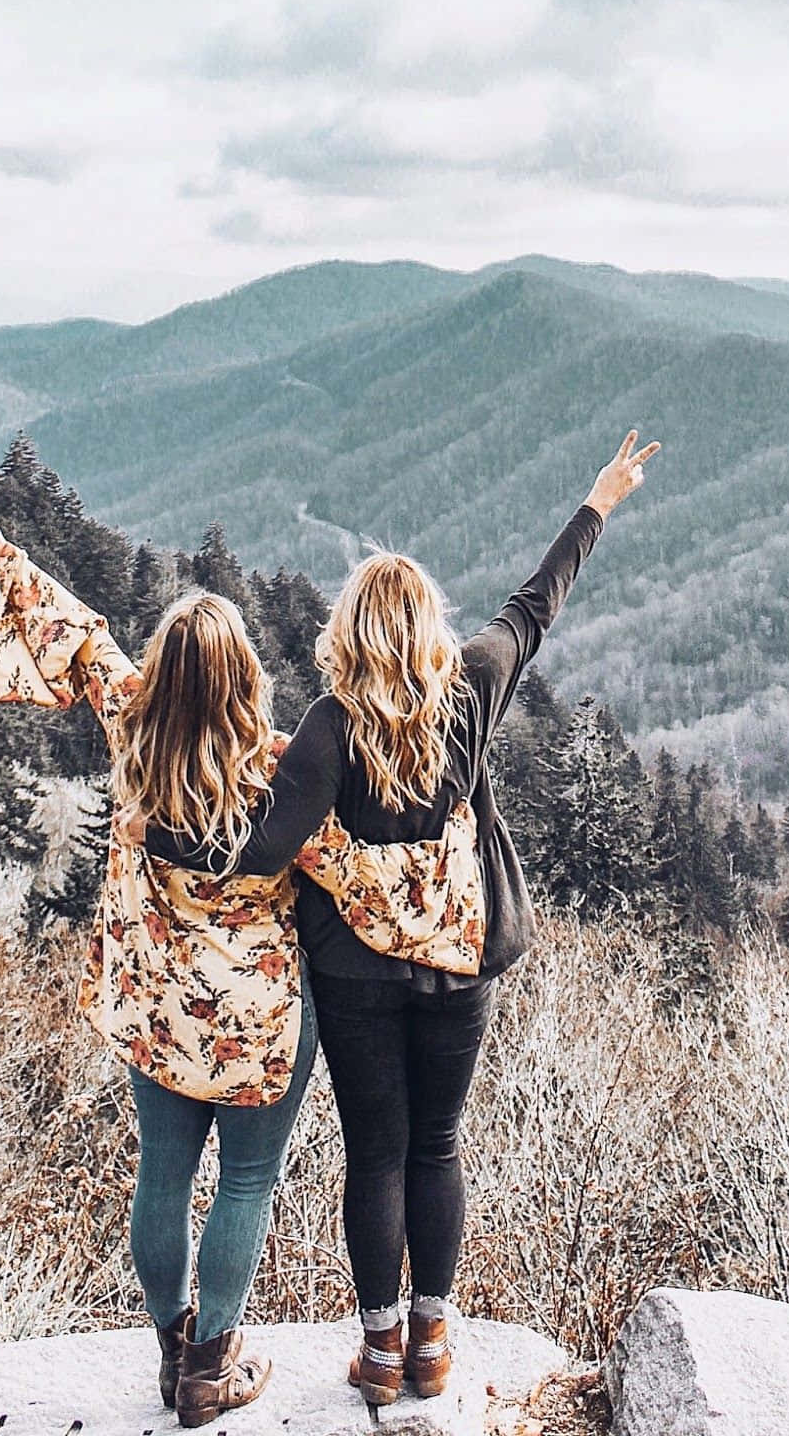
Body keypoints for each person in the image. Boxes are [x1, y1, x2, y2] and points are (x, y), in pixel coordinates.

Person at [0, 486, 481, 1428]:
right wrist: (454, 895)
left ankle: (170, 1346)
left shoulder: (133, 731)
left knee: (162, 1173)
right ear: (243, 681)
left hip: (154, 1004)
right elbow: (362, 876)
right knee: (244, 1183)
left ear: (165, 673)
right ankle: (213, 1365)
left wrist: (5, 555)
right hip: (258, 1017)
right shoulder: (280, 769)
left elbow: (81, 639)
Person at [142, 428, 660, 1405]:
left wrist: (166, 827)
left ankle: (378, 1353)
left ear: (350, 630)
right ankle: (432, 1344)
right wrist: (597, 502)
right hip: (459, 959)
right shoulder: (468, 684)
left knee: (375, 1152)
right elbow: (533, 606)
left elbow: (256, 853)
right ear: (425, 626)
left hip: (355, 977)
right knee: (437, 1144)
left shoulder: (328, 729)